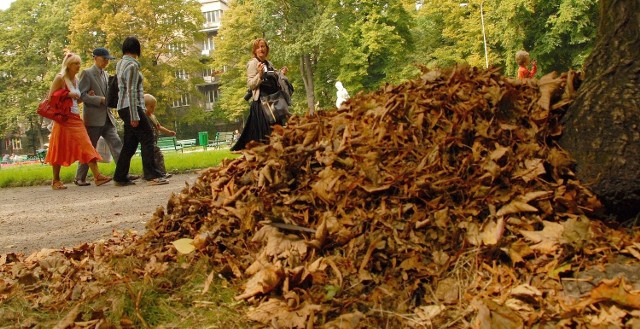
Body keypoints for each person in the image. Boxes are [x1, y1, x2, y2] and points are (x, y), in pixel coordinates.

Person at [44, 52, 112, 190]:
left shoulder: (75, 80)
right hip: (63, 119)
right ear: (68, 65)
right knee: (59, 148)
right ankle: (56, 180)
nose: (78, 66)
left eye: (79, 63)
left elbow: (75, 101)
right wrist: (68, 94)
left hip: (75, 118)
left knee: (87, 145)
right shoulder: (60, 78)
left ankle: (97, 176)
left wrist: (83, 97)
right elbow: (51, 98)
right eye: (76, 63)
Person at [74, 47, 139, 186]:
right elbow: (81, 95)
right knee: (89, 148)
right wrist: (100, 99)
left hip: (107, 117)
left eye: (108, 60)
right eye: (104, 59)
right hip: (93, 117)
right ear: (95, 58)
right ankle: (80, 177)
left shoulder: (106, 74)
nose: (106, 62)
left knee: (117, 144)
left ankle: (123, 173)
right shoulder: (87, 73)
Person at [113, 36, 168, 186]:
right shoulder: (132, 66)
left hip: (122, 106)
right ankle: (151, 175)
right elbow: (131, 91)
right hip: (131, 106)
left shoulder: (120, 64)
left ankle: (120, 176)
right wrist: (135, 115)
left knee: (130, 143)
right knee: (148, 137)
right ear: (137, 49)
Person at [231, 38, 286, 151]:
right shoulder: (253, 64)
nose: (261, 49)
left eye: (263, 46)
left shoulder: (269, 63)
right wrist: (260, 75)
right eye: (258, 47)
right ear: (255, 51)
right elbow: (250, 84)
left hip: (273, 102)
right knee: (264, 133)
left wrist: (281, 74)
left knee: (277, 130)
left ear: (267, 49)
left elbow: (274, 80)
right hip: (261, 103)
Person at [144, 94, 174, 178]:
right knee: (158, 155)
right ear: (144, 106)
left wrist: (168, 132)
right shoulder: (143, 117)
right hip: (148, 141)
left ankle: (152, 173)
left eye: (154, 107)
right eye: (151, 107)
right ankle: (162, 172)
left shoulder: (153, 117)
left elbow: (159, 127)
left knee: (152, 158)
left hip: (153, 140)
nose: (153, 109)